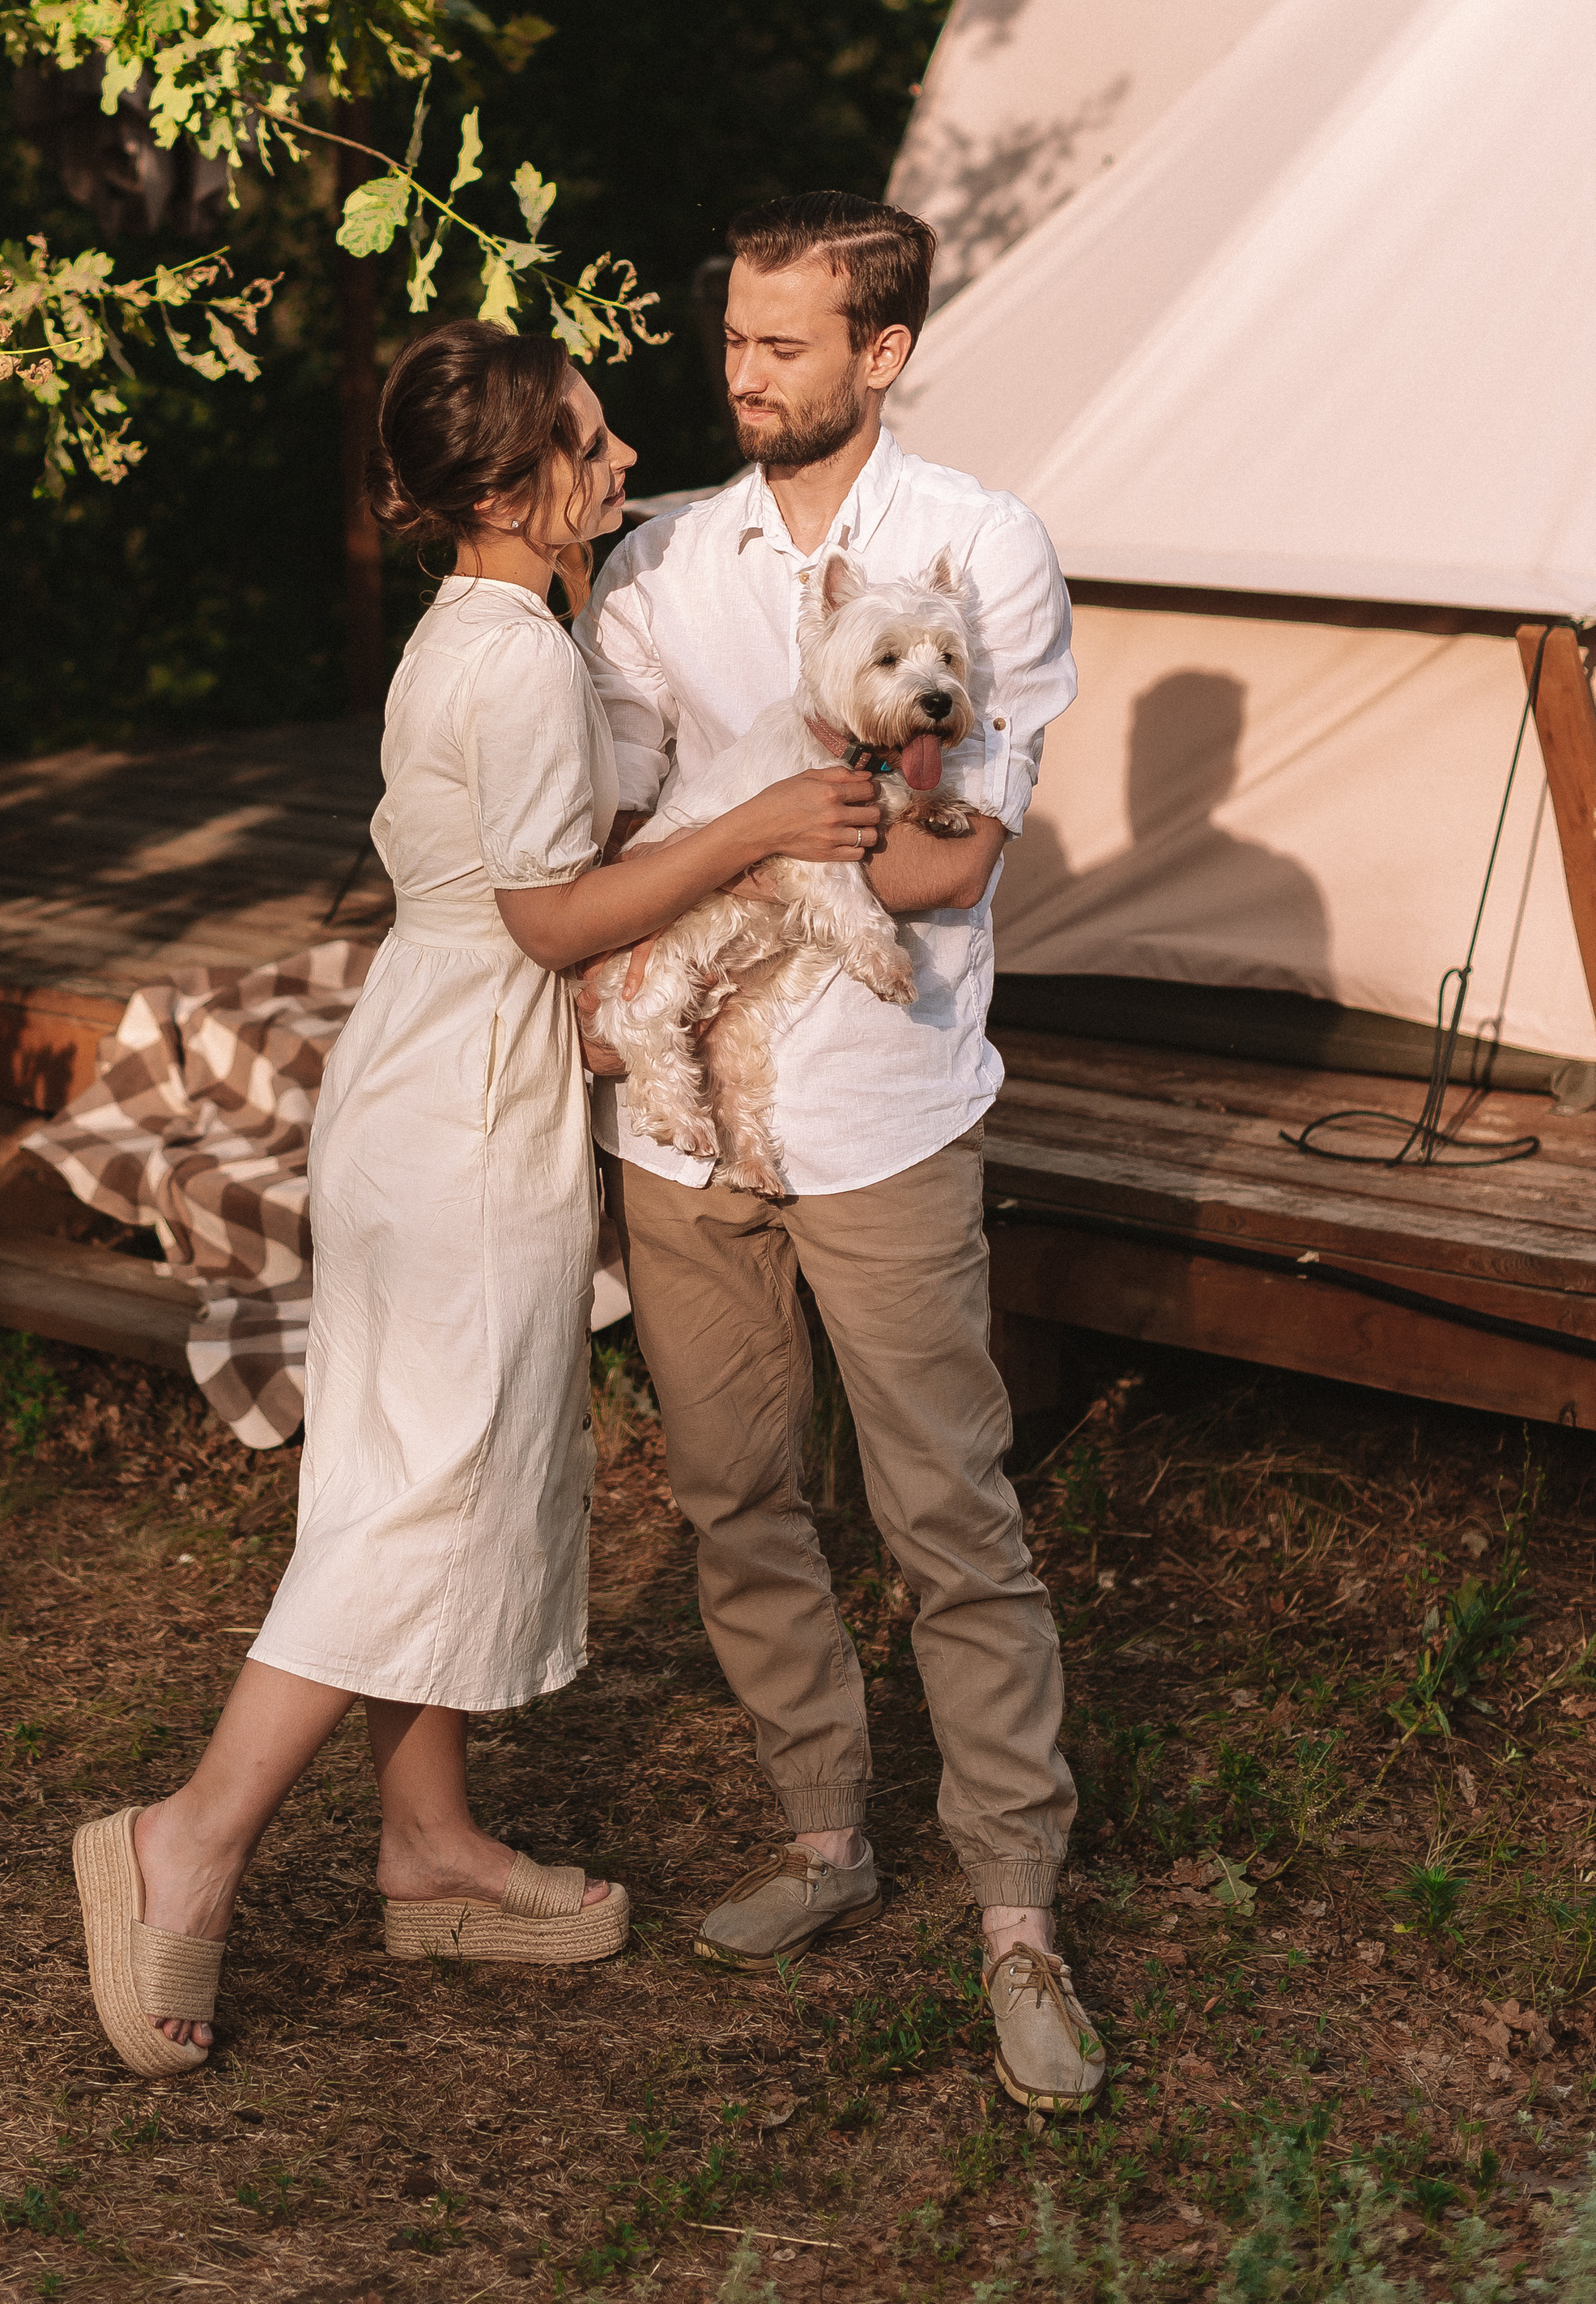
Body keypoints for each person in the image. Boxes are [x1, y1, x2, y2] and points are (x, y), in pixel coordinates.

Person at [73, 316, 890, 2076]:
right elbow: (548, 916)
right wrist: (758, 832)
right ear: (510, 489)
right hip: (461, 1102)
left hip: (424, 1070)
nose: (616, 461)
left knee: (413, 1466)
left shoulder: (484, 624)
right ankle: (187, 1837)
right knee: (422, 1486)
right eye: (586, 445)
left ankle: (430, 1841)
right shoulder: (515, 659)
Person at [577, 193, 1107, 2117]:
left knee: (947, 1519)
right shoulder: (654, 563)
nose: (738, 373)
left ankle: (1014, 1910)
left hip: (883, 1103)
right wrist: (749, 842)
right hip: (679, 1115)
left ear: (878, 355)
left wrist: (748, 841)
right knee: (734, 1501)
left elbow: (951, 854)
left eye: (779, 345)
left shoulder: (981, 550)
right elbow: (607, 825)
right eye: (730, 337)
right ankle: (822, 1837)